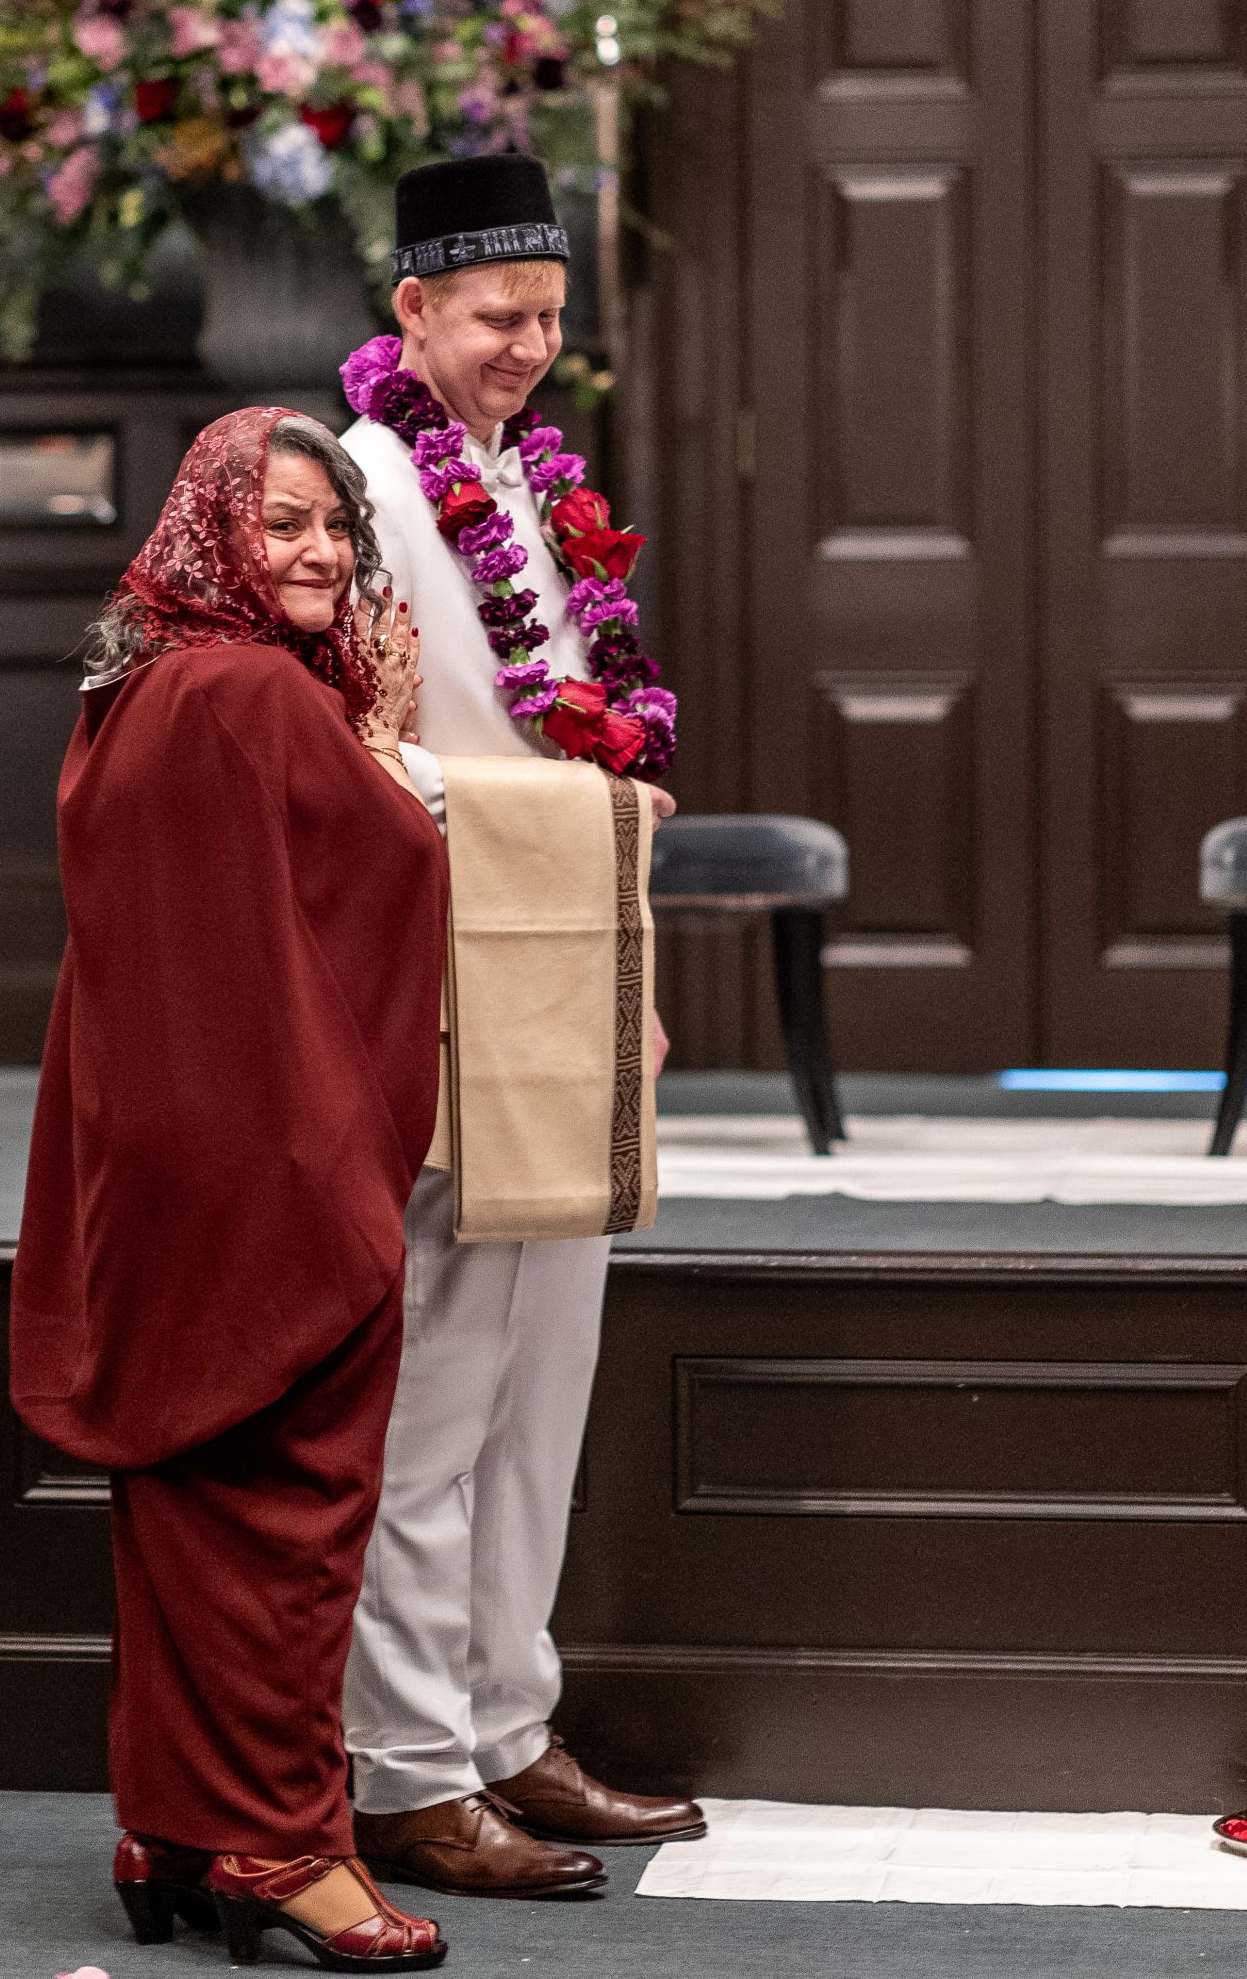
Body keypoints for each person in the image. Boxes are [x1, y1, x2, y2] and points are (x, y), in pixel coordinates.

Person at [10, 405, 451, 1971]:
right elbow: (389, 869)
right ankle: (284, 1843)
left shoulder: (136, 687)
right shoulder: (258, 695)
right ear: (217, 534)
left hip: (157, 1157)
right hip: (269, 1160)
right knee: (291, 1507)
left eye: (335, 524)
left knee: (189, 1501)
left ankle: (173, 1825)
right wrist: (386, 740)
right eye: (284, 525)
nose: (322, 552)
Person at [340, 155, 706, 1901]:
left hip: (569, 962)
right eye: (498, 315)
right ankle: (407, 1769)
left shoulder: (537, 481)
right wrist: (549, 825)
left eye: (549, 317)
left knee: (544, 1388)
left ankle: (510, 1726)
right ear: (412, 306)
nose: (527, 347)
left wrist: (629, 980)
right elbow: (338, 741)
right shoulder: (352, 484)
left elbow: (588, 742)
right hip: (438, 974)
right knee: (439, 1392)